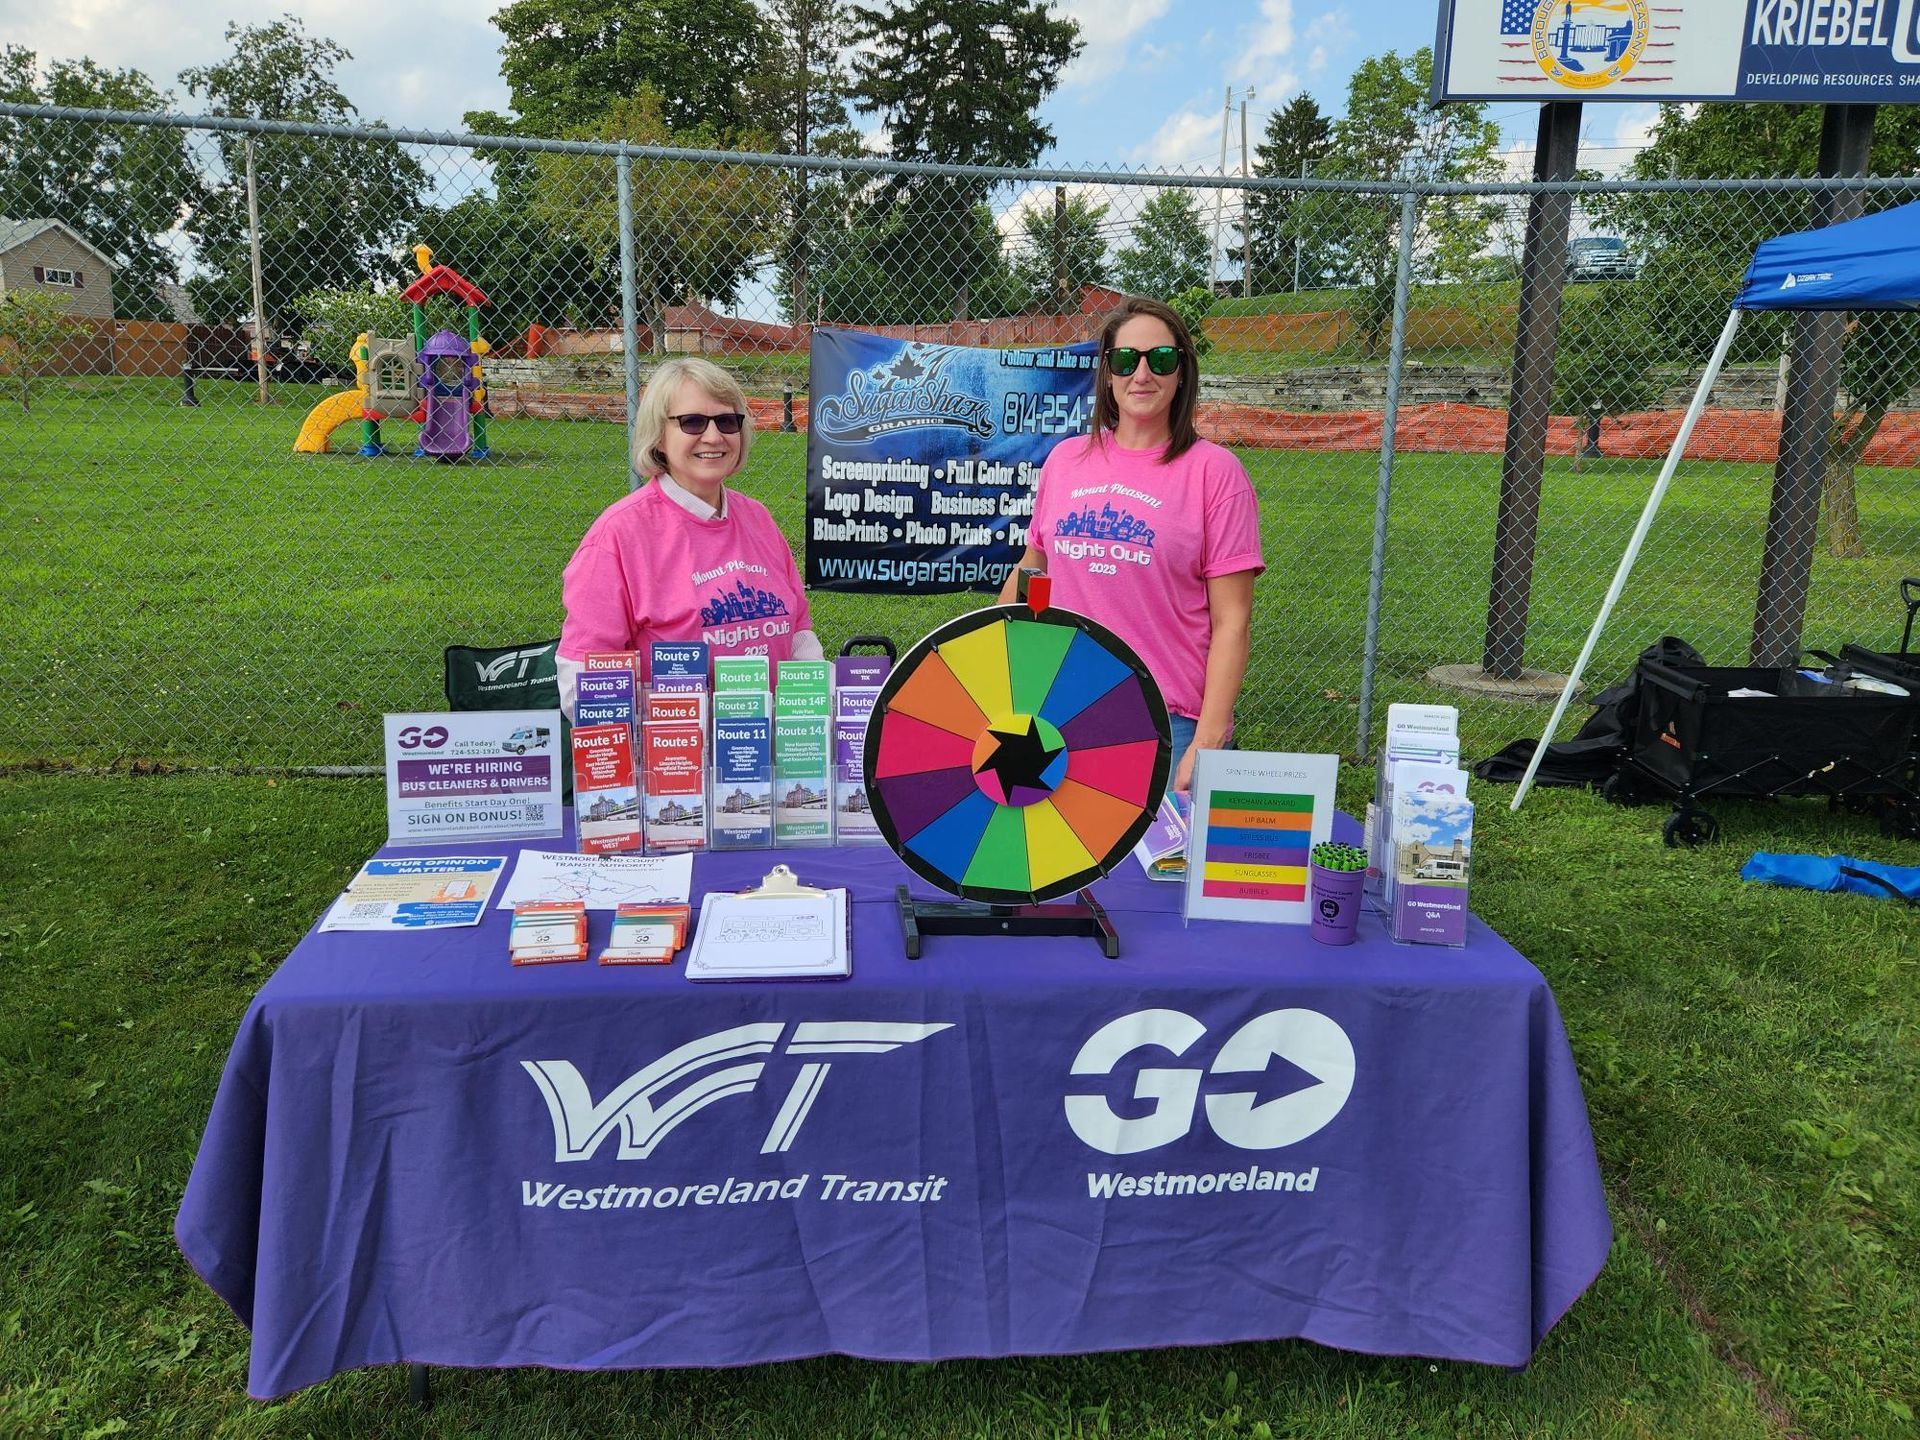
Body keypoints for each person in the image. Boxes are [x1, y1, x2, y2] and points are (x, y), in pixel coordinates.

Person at [997, 297, 1263, 793]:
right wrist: (991, 661)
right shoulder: (1066, 460)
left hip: (1165, 721)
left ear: (1182, 371)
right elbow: (1034, 566)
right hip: (1056, 712)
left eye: (1160, 359)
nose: (1142, 374)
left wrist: (1207, 739)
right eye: (1126, 360)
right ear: (1107, 373)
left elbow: (1233, 623)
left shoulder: (1216, 474)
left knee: (1154, 868)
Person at [558, 357, 823, 713]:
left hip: (775, 746)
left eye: (727, 422)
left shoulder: (757, 517)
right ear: (659, 436)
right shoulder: (619, 535)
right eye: (692, 422)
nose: (713, 436)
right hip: (673, 757)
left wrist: (819, 702)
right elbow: (581, 686)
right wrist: (678, 725)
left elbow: (799, 637)